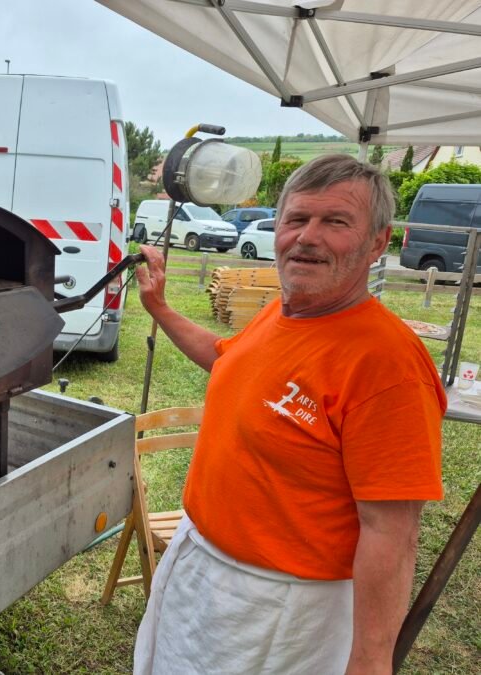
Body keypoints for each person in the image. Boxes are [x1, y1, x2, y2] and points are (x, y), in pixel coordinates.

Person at [132, 154, 446, 675]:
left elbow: (391, 533)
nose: (307, 237)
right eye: (296, 219)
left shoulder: (388, 364)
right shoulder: (283, 311)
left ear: (377, 243)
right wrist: (161, 308)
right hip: (200, 567)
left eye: (336, 222)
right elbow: (226, 359)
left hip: (281, 610)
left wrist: (370, 660)